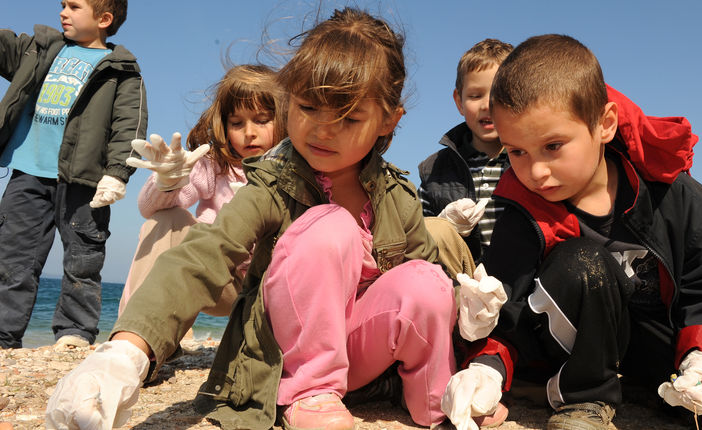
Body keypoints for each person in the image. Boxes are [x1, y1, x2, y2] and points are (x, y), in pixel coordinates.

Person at [45, 8, 459, 430]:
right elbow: (205, 253)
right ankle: (309, 391)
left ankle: (438, 399)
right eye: (308, 107)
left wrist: (476, 340)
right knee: (330, 224)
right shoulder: (273, 182)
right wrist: (126, 353)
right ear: (289, 97)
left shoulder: (396, 195)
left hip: (364, 360)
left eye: (348, 117)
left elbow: (428, 286)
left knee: (428, 279)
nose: (323, 129)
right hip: (288, 358)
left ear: (389, 120)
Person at [443, 35, 702, 430]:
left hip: (660, 335)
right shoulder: (521, 210)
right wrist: (486, 368)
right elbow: (509, 304)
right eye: (517, 151)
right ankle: (586, 396)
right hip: (572, 344)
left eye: (553, 146)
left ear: (604, 124)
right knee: (582, 261)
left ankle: (645, 386)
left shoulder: (674, 195)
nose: (535, 171)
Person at [0, 0, 147, 349]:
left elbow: (130, 125)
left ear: (104, 19)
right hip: (28, 172)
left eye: (74, 6)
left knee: (83, 259)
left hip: (86, 181)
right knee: (11, 257)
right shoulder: (39, 49)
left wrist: (117, 173)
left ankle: (75, 332)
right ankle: (3, 335)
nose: (63, 12)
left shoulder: (122, 70)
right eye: (63, 4)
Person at [118, 64, 286, 323]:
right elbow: (148, 210)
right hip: (220, 280)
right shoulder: (215, 165)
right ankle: (134, 331)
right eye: (237, 123)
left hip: (275, 286)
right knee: (166, 219)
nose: (250, 133)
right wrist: (168, 181)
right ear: (224, 125)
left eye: (262, 120)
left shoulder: (296, 169)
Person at [418, 39, 513, 266]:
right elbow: (418, 235)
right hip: (461, 276)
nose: (486, 105)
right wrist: (444, 225)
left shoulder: (532, 160)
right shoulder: (435, 170)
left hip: (522, 277)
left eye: (498, 95)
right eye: (475, 96)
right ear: (459, 101)